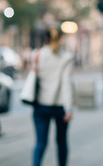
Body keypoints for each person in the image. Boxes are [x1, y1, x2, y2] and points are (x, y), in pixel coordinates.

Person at [31, 26, 74, 166]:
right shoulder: (66, 58)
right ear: (61, 38)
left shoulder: (37, 54)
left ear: (45, 38)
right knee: (61, 142)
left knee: (40, 143)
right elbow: (66, 84)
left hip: (40, 105)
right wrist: (69, 108)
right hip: (60, 106)